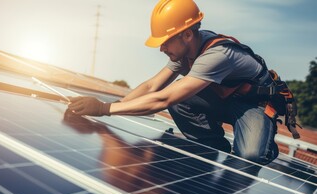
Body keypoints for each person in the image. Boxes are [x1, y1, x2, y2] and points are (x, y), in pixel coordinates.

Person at [67, 0, 279, 164]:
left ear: (186, 35)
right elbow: (152, 86)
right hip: (224, 100)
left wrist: (104, 108)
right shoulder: (187, 51)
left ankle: (264, 141)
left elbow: (162, 99)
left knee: (250, 157)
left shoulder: (217, 55)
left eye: (165, 42)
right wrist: (113, 108)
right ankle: (212, 147)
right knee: (179, 99)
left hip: (253, 106)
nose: (161, 49)